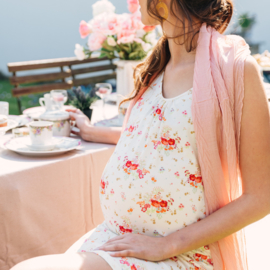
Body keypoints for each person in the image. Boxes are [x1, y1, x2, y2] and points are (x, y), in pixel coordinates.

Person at [11, 0, 270, 269]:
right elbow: (161, 139)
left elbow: (261, 197)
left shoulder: (238, 70)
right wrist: (92, 132)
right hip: (117, 238)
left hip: (179, 253)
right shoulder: (157, 67)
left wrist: (167, 245)